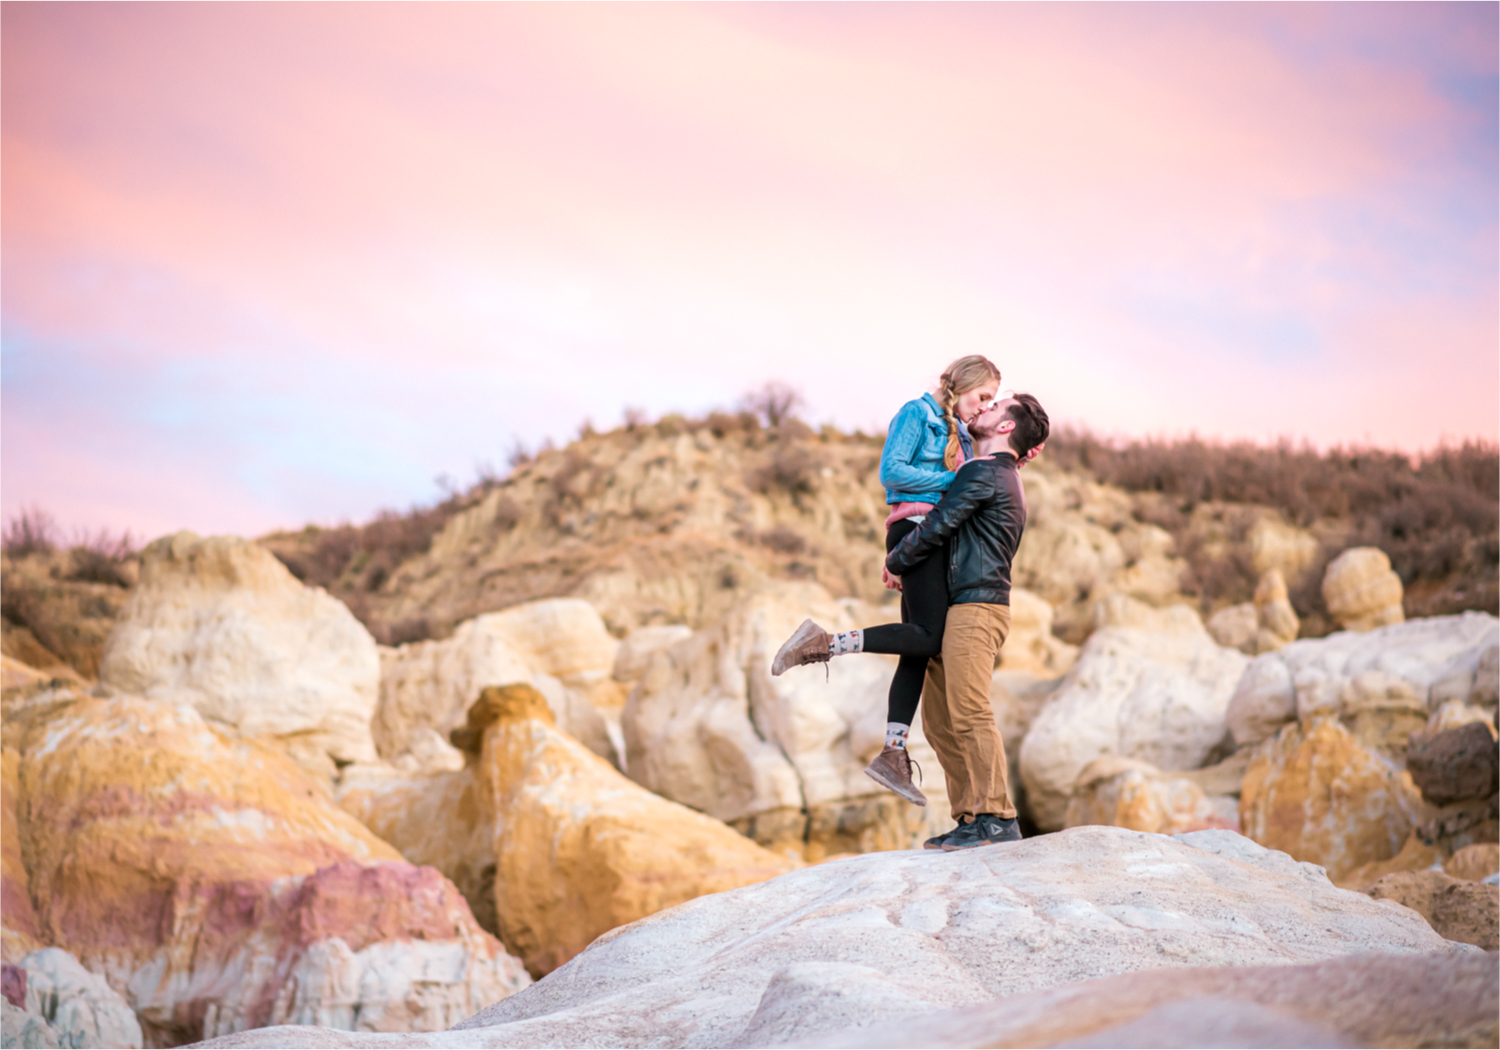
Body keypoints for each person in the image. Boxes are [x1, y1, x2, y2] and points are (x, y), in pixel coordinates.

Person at [771, 356, 1006, 806]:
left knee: (916, 647)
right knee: (928, 637)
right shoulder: (917, 414)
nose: (984, 407)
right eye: (982, 397)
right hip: (916, 527)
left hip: (927, 536)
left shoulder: (963, 432)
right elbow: (892, 472)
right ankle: (823, 642)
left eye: (991, 401)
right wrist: (950, 480)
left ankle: (893, 753)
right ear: (962, 386)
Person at [885, 392, 1050, 850]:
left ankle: (997, 817)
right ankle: (970, 816)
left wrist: (896, 561)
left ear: (1005, 429)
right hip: (958, 607)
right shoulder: (995, 473)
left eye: (995, 408)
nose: (984, 409)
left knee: (970, 711)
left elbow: (939, 523)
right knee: (940, 720)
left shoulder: (986, 471)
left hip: (977, 608)